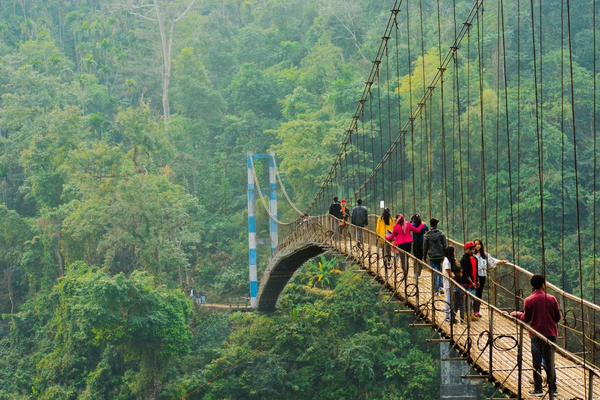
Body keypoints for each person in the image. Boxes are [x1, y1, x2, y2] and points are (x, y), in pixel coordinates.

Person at [510, 275, 561, 397]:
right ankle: (552, 388)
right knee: (550, 361)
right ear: (543, 285)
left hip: (536, 334)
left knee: (536, 361)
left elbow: (526, 318)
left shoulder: (528, 300)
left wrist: (517, 314)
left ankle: (538, 389)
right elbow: (557, 317)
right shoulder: (552, 298)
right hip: (550, 334)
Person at [472, 238, 508, 318]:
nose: (477, 246)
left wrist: (502, 261)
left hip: (482, 275)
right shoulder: (472, 255)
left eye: (479, 244)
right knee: (473, 292)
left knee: (479, 292)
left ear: (481, 245)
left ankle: (476, 311)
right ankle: (471, 311)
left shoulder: (485, 255)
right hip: (474, 275)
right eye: (475, 244)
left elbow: (493, 262)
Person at [423, 218, 447, 292]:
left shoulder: (427, 235)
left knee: (434, 272)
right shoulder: (441, 234)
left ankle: (435, 290)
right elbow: (445, 245)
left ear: (430, 224)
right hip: (440, 255)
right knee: (440, 271)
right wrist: (445, 255)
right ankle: (440, 287)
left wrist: (424, 257)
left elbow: (425, 247)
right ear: (436, 225)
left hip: (432, 256)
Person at [459, 241, 480, 321]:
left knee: (471, 299)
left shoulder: (475, 258)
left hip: (473, 282)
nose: (472, 251)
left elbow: (476, 271)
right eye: (470, 249)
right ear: (466, 250)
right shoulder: (464, 260)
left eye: (473, 249)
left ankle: (471, 314)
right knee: (467, 299)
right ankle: (465, 315)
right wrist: (471, 283)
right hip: (466, 283)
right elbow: (465, 273)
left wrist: (477, 280)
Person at [442, 246, 457, 322]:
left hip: (449, 282)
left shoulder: (448, 260)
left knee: (451, 298)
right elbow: (449, 273)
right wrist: (456, 279)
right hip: (448, 282)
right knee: (449, 298)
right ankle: (447, 316)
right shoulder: (447, 261)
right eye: (454, 251)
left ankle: (450, 316)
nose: (455, 253)